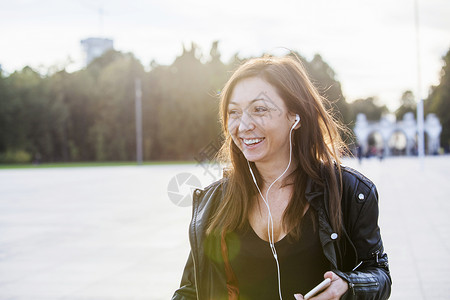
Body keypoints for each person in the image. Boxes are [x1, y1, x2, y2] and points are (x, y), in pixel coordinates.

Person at [172, 55, 391, 300]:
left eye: (259, 109)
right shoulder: (214, 202)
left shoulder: (350, 192)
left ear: (295, 116)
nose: (243, 125)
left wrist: (347, 285)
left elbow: (379, 273)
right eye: (234, 112)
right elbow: (191, 290)